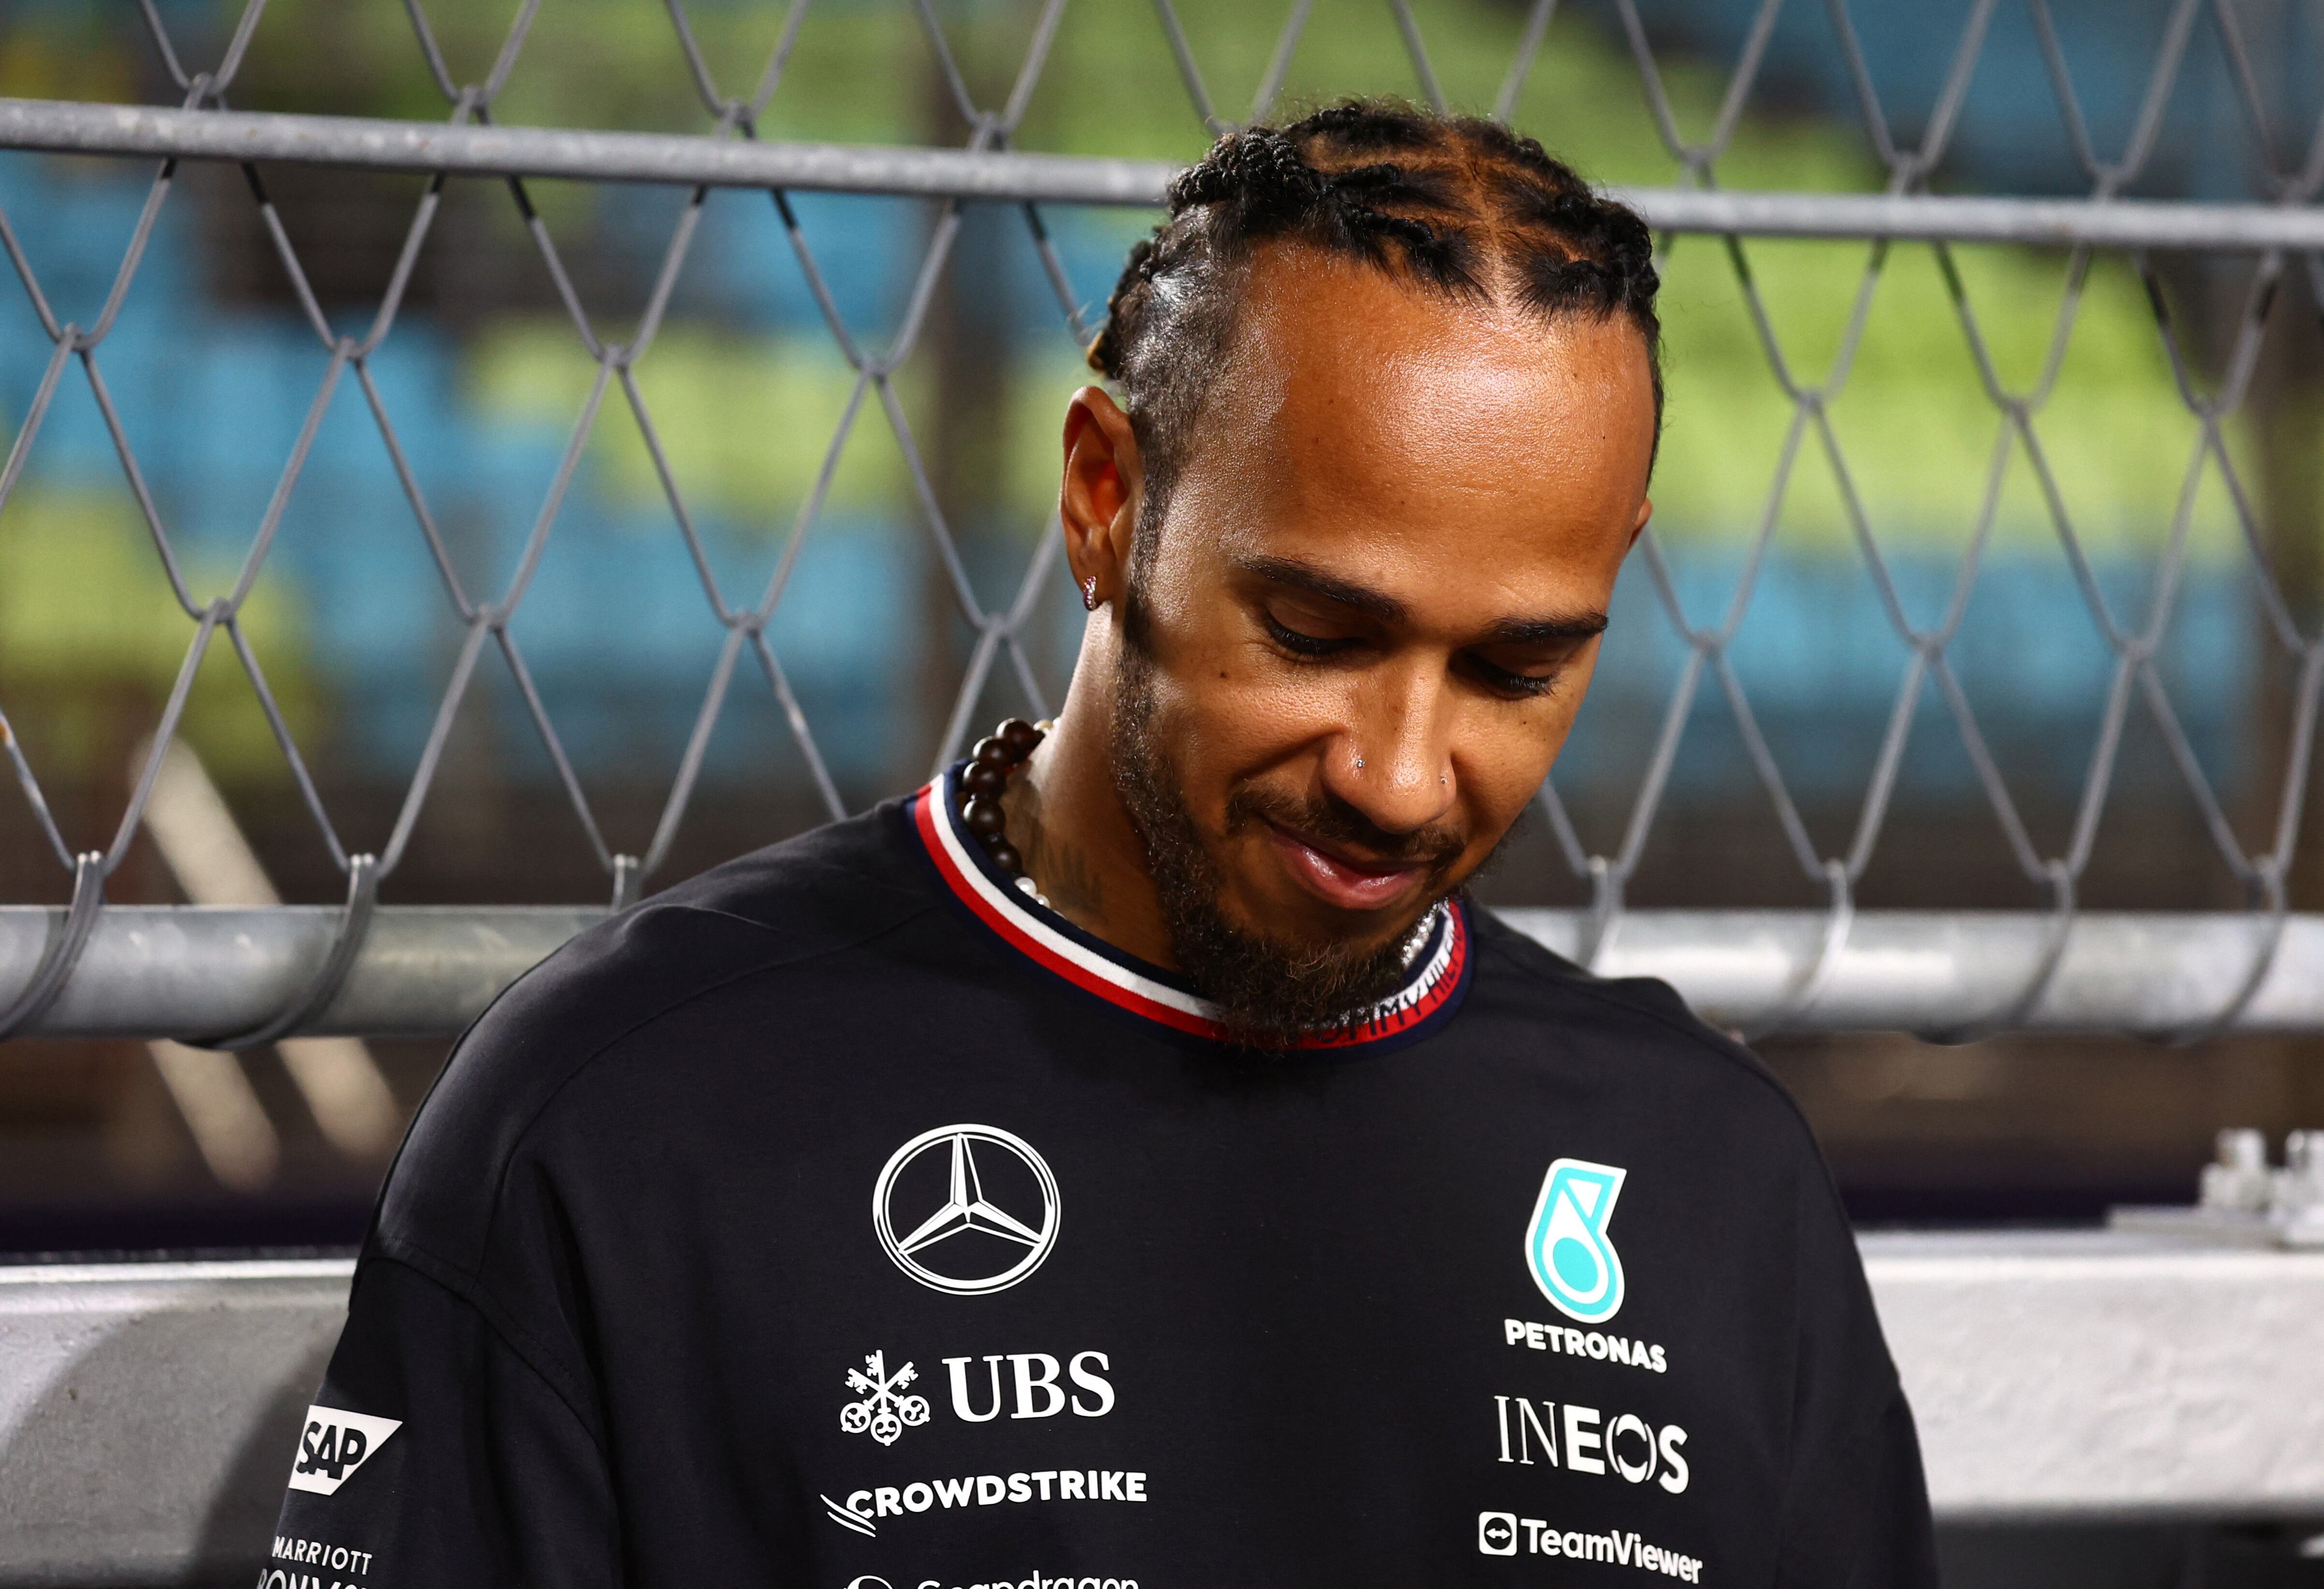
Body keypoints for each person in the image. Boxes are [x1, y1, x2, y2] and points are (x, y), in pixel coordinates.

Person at [267, 101, 1935, 1588]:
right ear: (1104, 498)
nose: (1404, 779)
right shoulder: (622, 1129)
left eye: (1518, 667)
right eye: (1315, 634)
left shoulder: (1714, 1185)